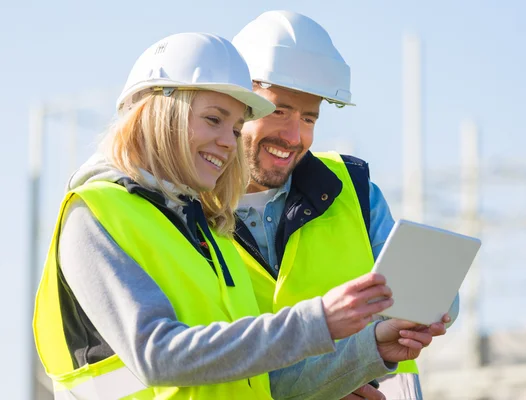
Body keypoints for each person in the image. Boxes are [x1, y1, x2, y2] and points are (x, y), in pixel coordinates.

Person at [32, 32, 448, 400]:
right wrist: (318, 321)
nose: (227, 143)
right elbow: (157, 354)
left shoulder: (206, 233)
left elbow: (259, 383)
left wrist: (369, 351)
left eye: (234, 129)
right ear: (160, 112)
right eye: (214, 120)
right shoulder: (96, 213)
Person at [231, 10, 461, 400]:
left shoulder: (351, 189)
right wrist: (331, 377)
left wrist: (421, 311)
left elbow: (437, 301)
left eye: (309, 117)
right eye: (279, 110)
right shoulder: (188, 209)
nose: (293, 135)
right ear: (239, 103)